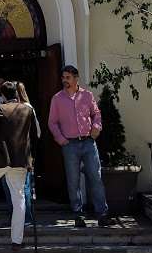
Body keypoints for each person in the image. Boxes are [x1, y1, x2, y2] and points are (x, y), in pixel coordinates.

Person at [0, 81, 39, 251]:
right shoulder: (28, 109)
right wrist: (31, 157)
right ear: (16, 94)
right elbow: (34, 135)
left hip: (1, 158)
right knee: (19, 198)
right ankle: (17, 241)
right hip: (21, 160)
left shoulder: (1, 108)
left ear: (2, 95)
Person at [48, 65, 114, 227]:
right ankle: (78, 215)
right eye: (63, 78)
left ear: (76, 78)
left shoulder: (87, 95)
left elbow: (96, 114)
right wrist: (61, 139)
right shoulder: (57, 99)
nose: (65, 81)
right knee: (73, 181)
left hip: (88, 142)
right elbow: (52, 122)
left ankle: (102, 214)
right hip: (69, 144)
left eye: (68, 78)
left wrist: (96, 129)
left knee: (95, 177)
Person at [16, 81, 38, 224]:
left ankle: (27, 218)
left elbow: (36, 132)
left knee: (25, 187)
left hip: (24, 153)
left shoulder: (27, 109)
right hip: (23, 153)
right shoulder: (26, 108)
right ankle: (20, 217)